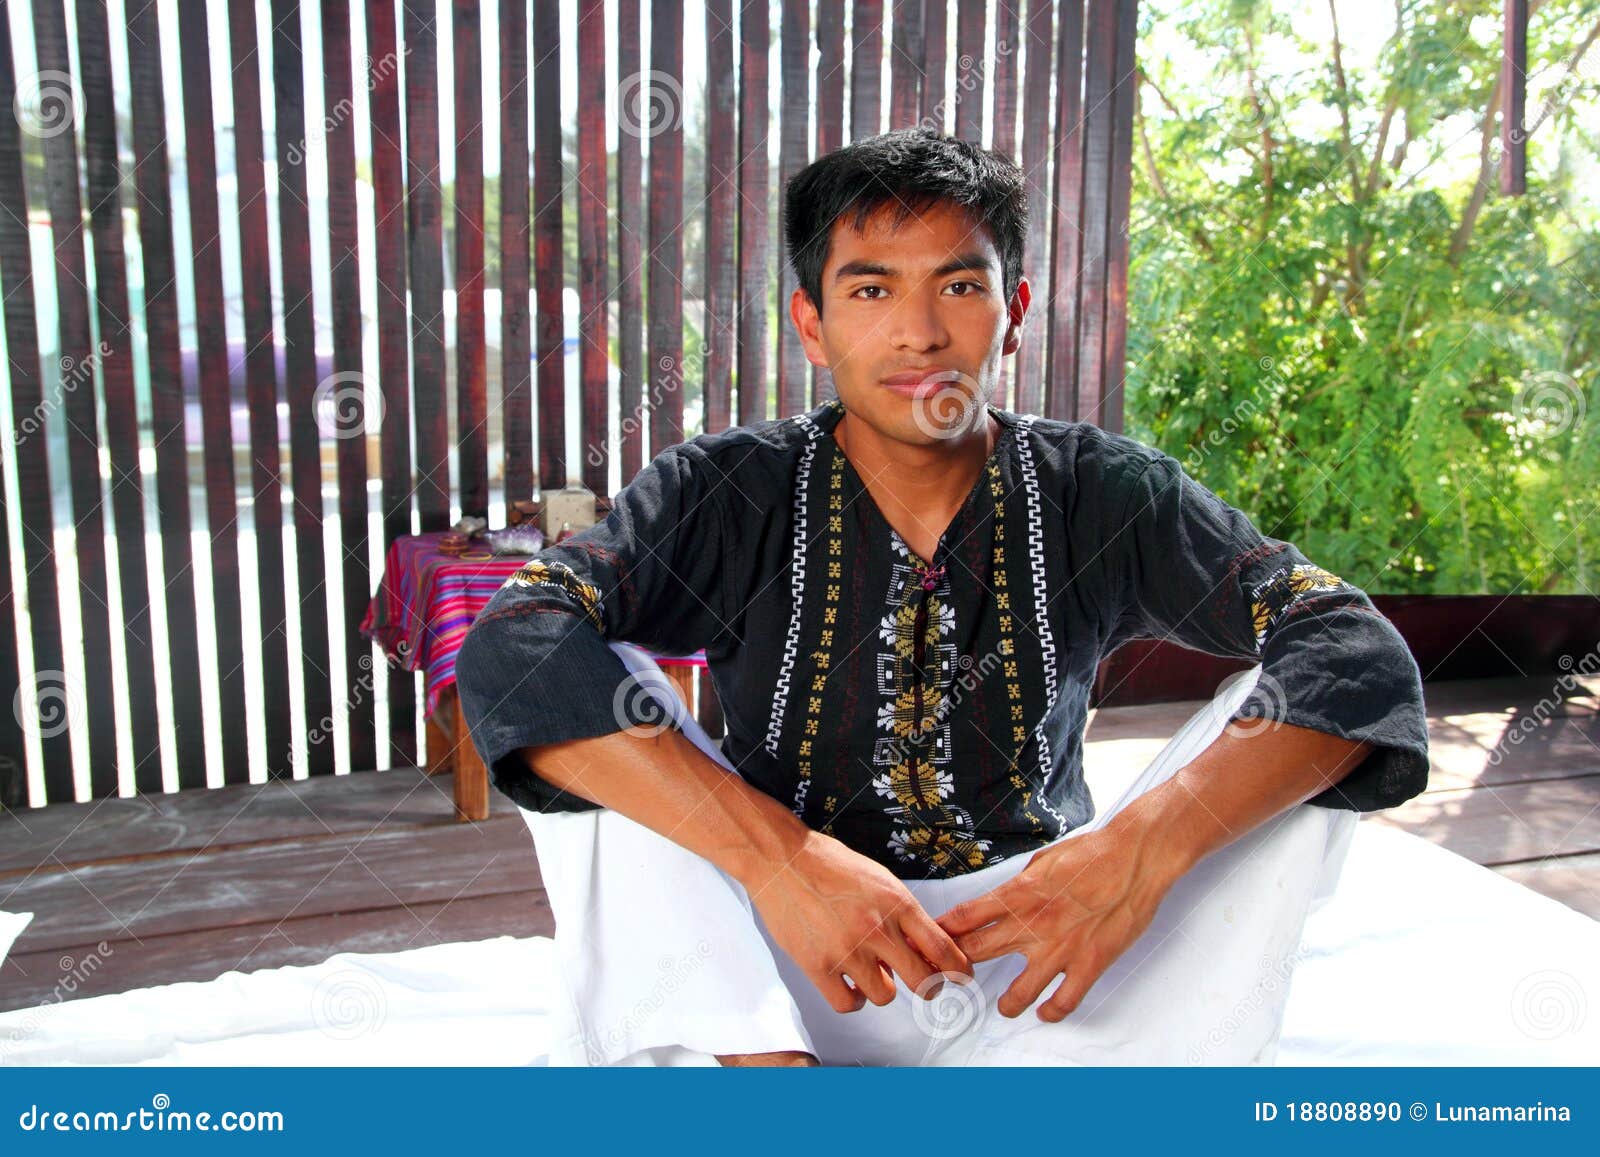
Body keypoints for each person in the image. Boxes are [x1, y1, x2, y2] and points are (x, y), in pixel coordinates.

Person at [454, 128, 1430, 1067]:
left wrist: (1136, 850)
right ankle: (760, 1075)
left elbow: (1355, 650)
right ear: (812, 322)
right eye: (870, 287)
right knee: (597, 699)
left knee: (1285, 719)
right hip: (781, 958)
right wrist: (783, 860)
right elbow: (517, 642)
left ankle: (1061, 1074)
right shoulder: (724, 488)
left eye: (959, 285)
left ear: (1014, 310)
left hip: (1052, 956)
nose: (918, 332)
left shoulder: (1106, 489)